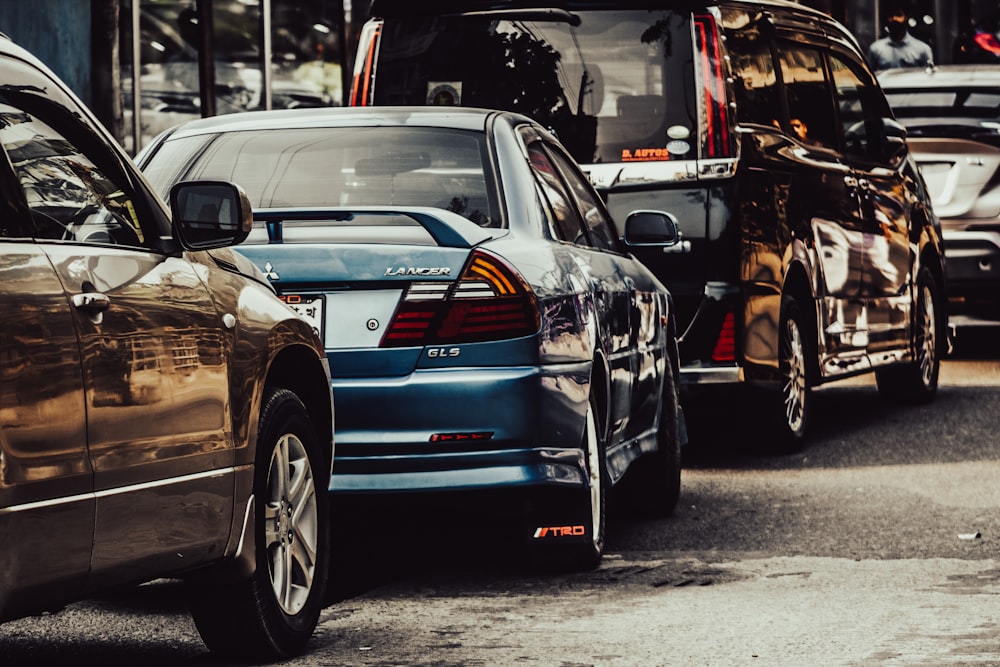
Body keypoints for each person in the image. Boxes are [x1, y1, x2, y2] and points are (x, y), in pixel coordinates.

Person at [867, 6, 934, 70]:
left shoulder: (922, 49)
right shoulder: (875, 49)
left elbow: (928, 78)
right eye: (890, 16)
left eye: (898, 15)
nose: (894, 18)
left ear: (906, 17)